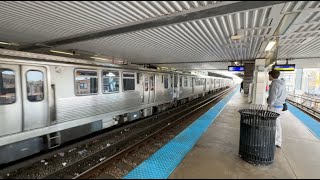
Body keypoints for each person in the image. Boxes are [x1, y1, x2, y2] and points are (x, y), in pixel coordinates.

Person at [267, 70, 287, 148]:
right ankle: (278, 141)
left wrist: (269, 104)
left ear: (272, 76)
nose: (268, 77)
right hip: (279, 106)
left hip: (274, 106)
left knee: (273, 124)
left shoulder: (274, 84)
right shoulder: (282, 84)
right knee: (277, 124)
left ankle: (274, 141)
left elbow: (272, 97)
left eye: (269, 75)